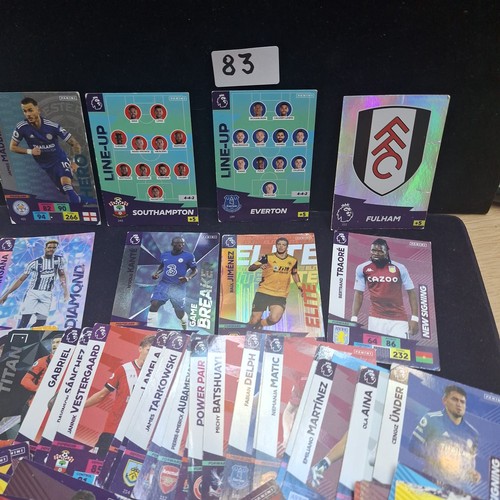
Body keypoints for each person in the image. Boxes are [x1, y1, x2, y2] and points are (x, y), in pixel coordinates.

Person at [85, 335, 156, 458]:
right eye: (148, 350)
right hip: (114, 427)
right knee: (97, 459)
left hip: (137, 431)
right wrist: (79, 406)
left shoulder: (158, 375)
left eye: (155, 353)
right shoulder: (124, 369)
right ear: (140, 349)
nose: (151, 355)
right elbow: (102, 395)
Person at [9, 97, 85, 204]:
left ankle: (79, 209)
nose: (28, 114)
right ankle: (84, 201)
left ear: (38, 110)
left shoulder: (52, 126)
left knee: (66, 184)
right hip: (46, 166)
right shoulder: (21, 127)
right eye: (24, 111)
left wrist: (74, 161)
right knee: (64, 191)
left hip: (59, 159)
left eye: (30, 110)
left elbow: (75, 144)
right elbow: (12, 147)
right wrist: (30, 151)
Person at [409, 385, 481, 486]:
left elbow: (469, 464)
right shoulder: (431, 419)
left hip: (455, 488)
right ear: (445, 400)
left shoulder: (473, 434)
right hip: (428, 481)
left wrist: (473, 474)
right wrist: (436, 458)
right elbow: (413, 445)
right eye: (454, 399)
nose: (459, 404)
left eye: (462, 402)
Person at [351, 238, 418, 338]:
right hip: (376, 318)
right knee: (376, 348)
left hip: (399, 319)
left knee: (401, 347)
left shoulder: (400, 268)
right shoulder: (362, 268)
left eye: (380, 251)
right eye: (373, 250)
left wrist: (415, 318)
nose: (376, 253)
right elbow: (359, 294)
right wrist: (354, 318)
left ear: (386, 252)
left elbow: (411, 292)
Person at [0, 240, 69, 328]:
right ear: (45, 248)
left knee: (41, 322)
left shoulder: (59, 260)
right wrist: (6, 294)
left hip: (47, 294)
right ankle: (19, 334)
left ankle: (29, 334)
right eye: (49, 247)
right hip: (33, 293)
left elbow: (62, 275)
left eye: (54, 248)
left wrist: (65, 290)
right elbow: (21, 279)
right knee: (25, 320)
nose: (51, 249)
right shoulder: (34, 263)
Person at [247, 237, 303, 329]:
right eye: (279, 244)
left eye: (283, 245)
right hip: (264, 292)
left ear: (287, 247)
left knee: (274, 318)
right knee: (254, 320)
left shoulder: (293, 260)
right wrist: (260, 265)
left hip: (280, 294)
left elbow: (294, 273)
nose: (281, 246)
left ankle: (260, 324)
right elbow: (251, 268)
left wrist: (299, 285)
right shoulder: (267, 257)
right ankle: (247, 329)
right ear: (276, 246)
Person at [147, 237, 198, 330]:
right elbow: (162, 265)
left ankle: (185, 328)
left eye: (182, 243)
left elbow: (195, 270)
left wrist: (188, 278)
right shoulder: (165, 255)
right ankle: (150, 330)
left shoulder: (189, 256)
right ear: (172, 244)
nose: (180, 245)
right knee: (154, 304)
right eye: (178, 243)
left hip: (178, 286)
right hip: (164, 284)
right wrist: (156, 273)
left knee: (179, 313)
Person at [20, 334, 63, 411]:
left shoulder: (71, 362)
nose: (54, 345)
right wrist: (39, 390)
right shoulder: (42, 361)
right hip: (35, 404)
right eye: (53, 343)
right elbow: (25, 380)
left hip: (57, 405)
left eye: (58, 342)